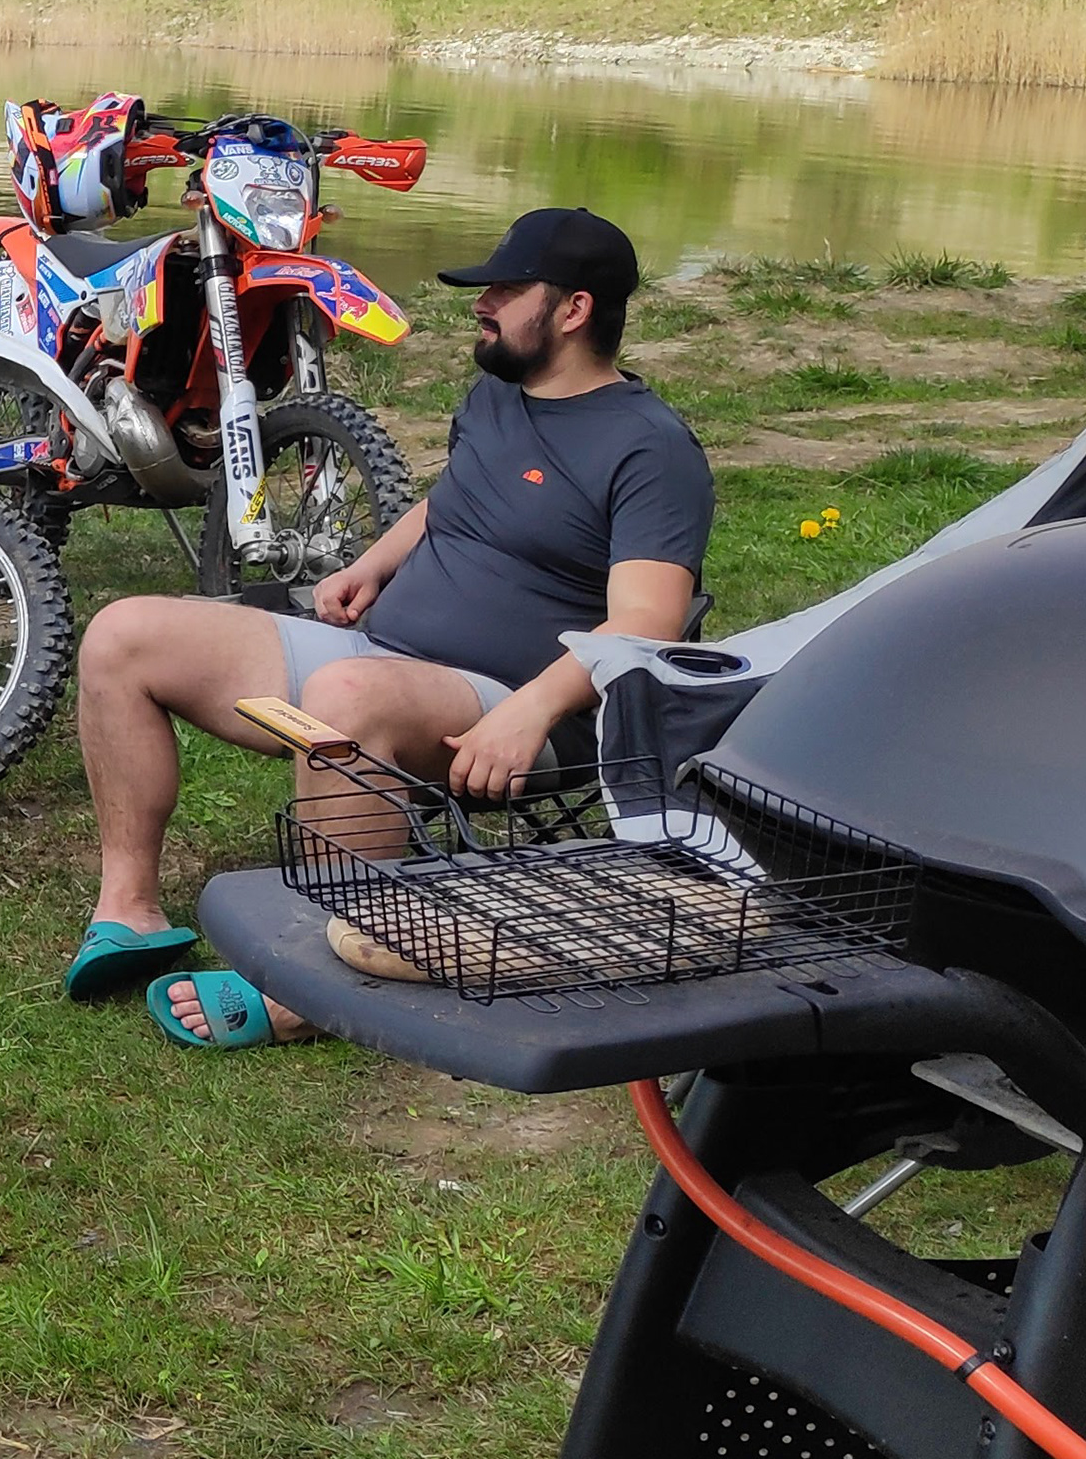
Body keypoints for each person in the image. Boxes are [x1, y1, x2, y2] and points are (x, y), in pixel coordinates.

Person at [55, 207, 714, 1050]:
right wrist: (372, 565)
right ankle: (130, 910)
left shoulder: (649, 449)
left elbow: (647, 625)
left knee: (347, 696)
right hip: (380, 654)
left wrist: (531, 709)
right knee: (124, 634)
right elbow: (458, 499)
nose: (482, 304)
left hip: (520, 709)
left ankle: (312, 984)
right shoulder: (499, 394)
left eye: (506, 291)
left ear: (574, 310)